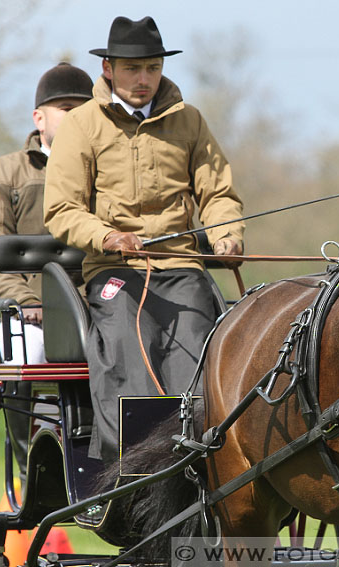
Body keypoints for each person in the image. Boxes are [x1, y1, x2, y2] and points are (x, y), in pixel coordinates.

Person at [44, 16, 245, 464]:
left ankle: (207, 466)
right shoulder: (81, 126)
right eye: (133, 69)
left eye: (152, 68)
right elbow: (62, 210)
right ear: (109, 70)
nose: (143, 79)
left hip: (181, 268)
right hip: (116, 272)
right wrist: (108, 236)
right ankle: (132, 469)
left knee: (200, 360)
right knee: (127, 358)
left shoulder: (189, 122)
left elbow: (217, 194)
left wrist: (226, 236)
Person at [0, 62, 94, 478]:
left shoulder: (105, 175)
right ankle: (35, 472)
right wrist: (29, 301)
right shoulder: (3, 175)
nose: (75, 116)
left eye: (84, 108)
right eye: (65, 108)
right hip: (27, 315)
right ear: (39, 117)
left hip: (96, 305)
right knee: (32, 354)